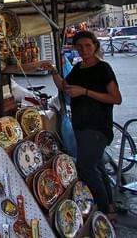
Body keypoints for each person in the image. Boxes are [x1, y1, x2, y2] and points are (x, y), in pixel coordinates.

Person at [42, 30, 122, 217]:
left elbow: (115, 98)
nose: (84, 50)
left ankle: (103, 209)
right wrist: (54, 71)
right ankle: (109, 205)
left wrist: (85, 91)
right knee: (97, 167)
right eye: (80, 46)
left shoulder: (103, 68)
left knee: (86, 168)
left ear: (95, 46)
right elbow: (65, 87)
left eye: (88, 45)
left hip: (97, 127)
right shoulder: (78, 68)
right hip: (81, 126)